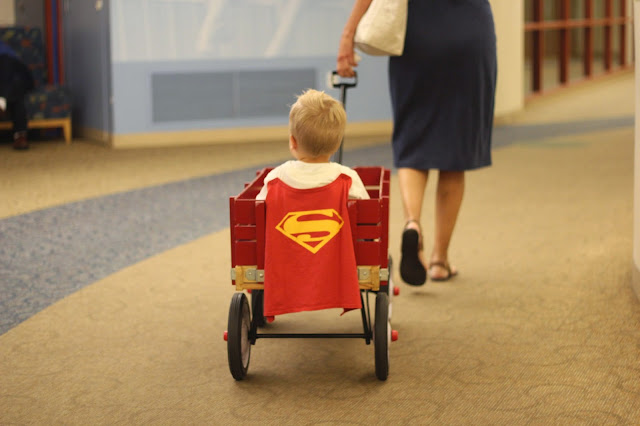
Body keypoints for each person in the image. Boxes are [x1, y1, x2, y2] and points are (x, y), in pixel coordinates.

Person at [337, 0, 497, 285]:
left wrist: (348, 35)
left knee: (413, 140)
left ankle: (413, 223)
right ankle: (439, 261)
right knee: (456, 150)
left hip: (417, 35)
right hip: (469, 33)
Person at [256, 89, 369, 201]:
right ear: (337, 144)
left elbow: (258, 207)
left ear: (293, 142)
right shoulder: (348, 179)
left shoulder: (276, 178)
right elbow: (368, 209)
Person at [0, 40, 35, 150]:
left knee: (14, 80)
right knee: (15, 90)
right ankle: (20, 135)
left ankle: (2, 101)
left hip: (19, 77)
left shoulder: (4, 51)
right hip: (12, 87)